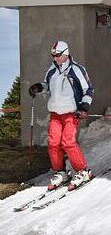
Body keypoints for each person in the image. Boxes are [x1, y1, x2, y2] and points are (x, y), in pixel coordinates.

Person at [29, 41, 94, 191]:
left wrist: (84, 107)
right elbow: (47, 85)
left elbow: (88, 90)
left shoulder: (77, 69)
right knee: (53, 143)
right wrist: (38, 87)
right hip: (56, 112)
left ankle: (83, 171)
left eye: (58, 55)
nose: (55, 58)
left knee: (68, 142)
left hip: (72, 112)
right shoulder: (52, 70)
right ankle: (60, 172)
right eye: (53, 55)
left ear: (65, 53)